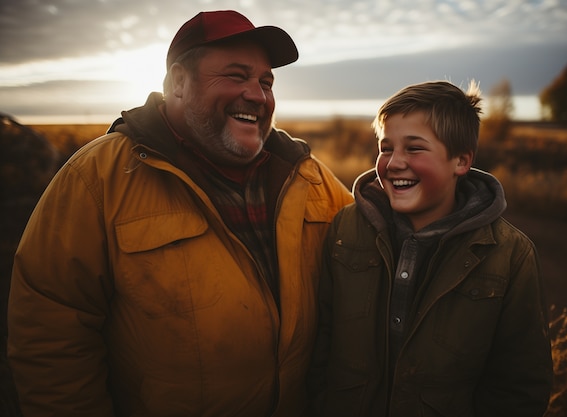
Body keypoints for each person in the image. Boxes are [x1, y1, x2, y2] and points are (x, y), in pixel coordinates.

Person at [7, 10, 352, 417]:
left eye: (265, 82)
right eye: (236, 76)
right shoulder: (97, 178)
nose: (257, 95)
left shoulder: (306, 176)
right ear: (177, 83)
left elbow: (378, 253)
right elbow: (51, 336)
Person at [307, 81, 553, 416]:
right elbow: (320, 346)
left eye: (414, 148)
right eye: (386, 147)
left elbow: (519, 385)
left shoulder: (510, 255)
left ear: (461, 162)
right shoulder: (346, 229)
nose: (394, 163)